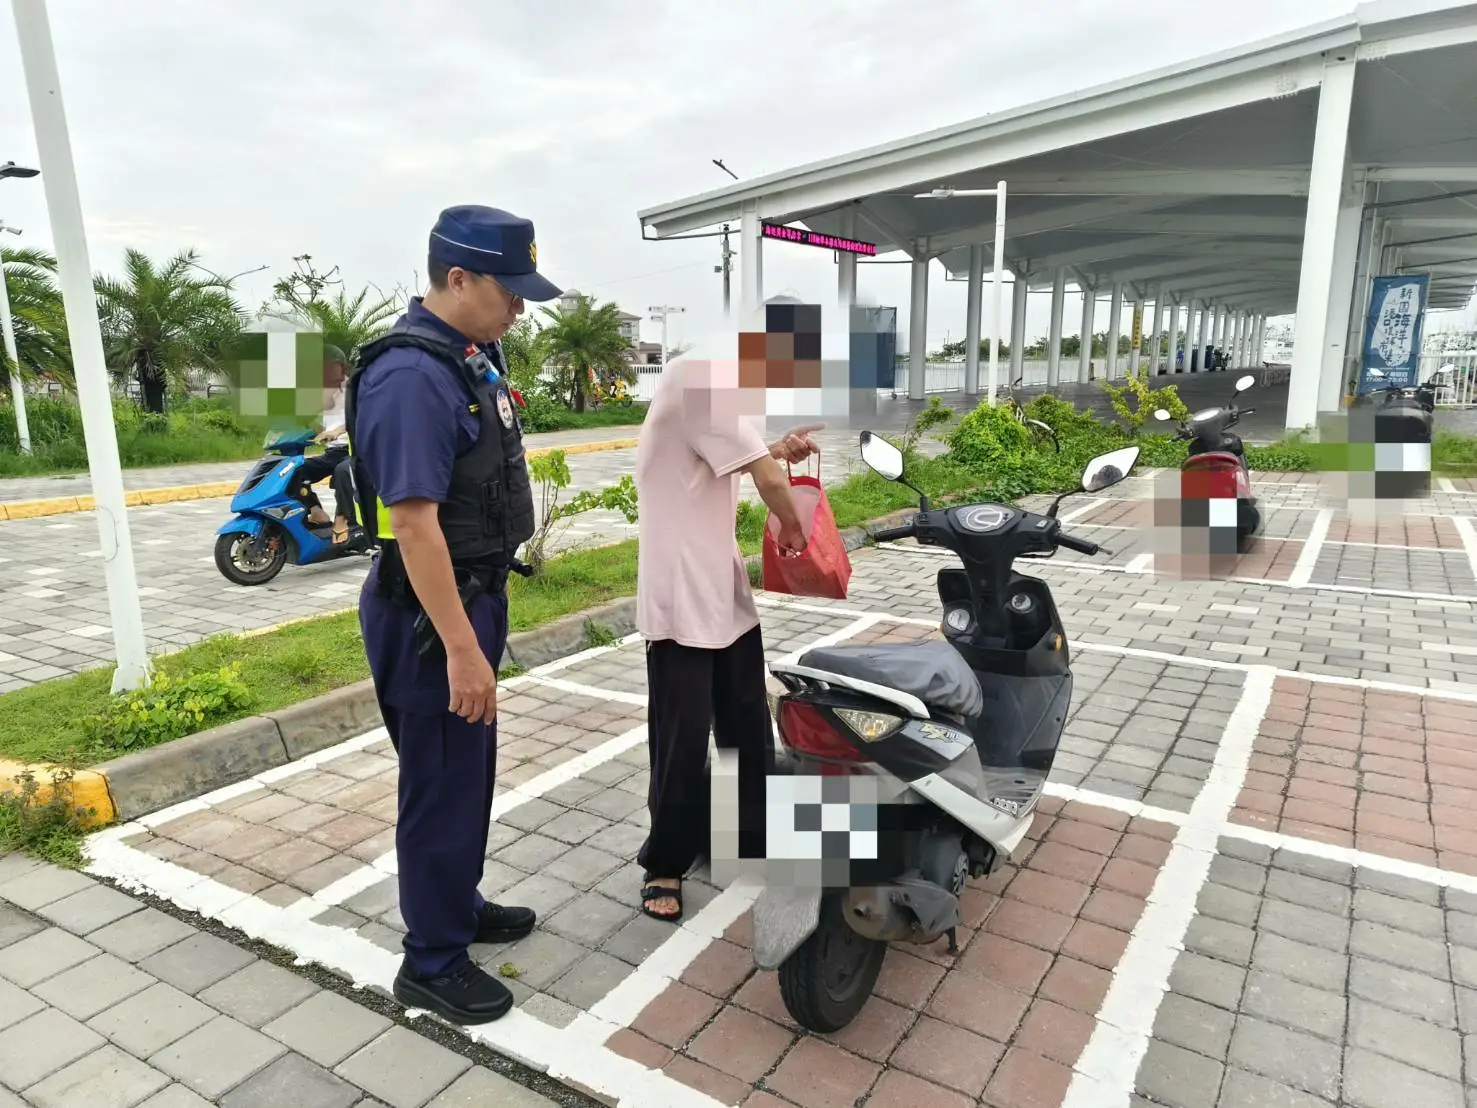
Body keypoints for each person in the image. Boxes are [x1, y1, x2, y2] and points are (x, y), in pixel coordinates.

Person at [344, 204, 561, 1025]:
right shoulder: (411, 375)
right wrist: (463, 651)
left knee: (464, 775)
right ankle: (430, 960)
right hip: (432, 620)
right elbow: (412, 523)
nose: (520, 307)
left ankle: (456, 906)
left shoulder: (468, 354)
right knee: (439, 782)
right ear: (458, 278)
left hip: (468, 603)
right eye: (511, 290)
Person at [633, 356, 821, 921]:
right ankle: (665, 860)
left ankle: (752, 831)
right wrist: (795, 532)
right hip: (681, 589)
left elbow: (739, 458)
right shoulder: (699, 379)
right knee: (682, 736)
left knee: (744, 719)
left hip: (721, 584)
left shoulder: (716, 391)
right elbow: (765, 478)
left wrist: (775, 451)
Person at [294, 347, 354, 540]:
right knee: (295, 470)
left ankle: (342, 520)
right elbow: (322, 429)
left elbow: (359, 416)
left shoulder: (354, 388)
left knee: (342, 472)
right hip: (333, 452)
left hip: (355, 451)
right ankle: (317, 513)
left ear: (341, 367)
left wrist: (337, 431)